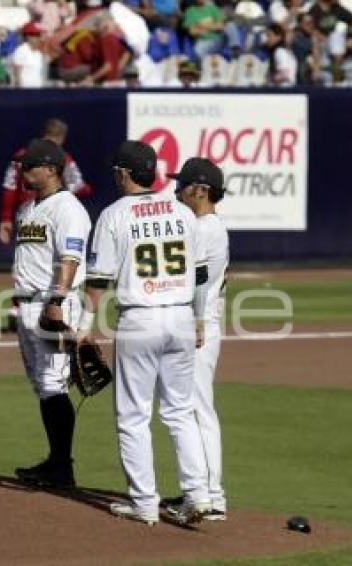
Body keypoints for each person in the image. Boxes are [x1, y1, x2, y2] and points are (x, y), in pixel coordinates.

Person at [81, 140, 211, 526]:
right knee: (180, 412)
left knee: (133, 416)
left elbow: (98, 280)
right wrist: (200, 318)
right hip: (182, 317)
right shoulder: (183, 212)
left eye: (116, 172)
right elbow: (201, 275)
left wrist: (86, 327)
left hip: (141, 318)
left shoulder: (114, 215)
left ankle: (144, 503)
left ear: (123, 173)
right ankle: (198, 494)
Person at [10, 138, 91, 489]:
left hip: (52, 303)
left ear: (52, 169)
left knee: (54, 384)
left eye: (31, 165)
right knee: (43, 387)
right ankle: (55, 463)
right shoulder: (28, 209)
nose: (24, 170)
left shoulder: (67, 208)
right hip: (28, 303)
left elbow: (69, 259)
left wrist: (56, 302)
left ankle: (62, 467)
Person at [171, 157, 230, 522]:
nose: (178, 191)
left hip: (200, 327)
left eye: (184, 185)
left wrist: (194, 322)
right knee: (192, 407)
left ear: (202, 190)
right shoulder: (204, 225)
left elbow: (199, 281)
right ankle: (204, 490)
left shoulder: (206, 228)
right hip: (200, 324)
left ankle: (212, 494)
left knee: (197, 407)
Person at [0, 118, 91, 246]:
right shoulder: (63, 159)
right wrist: (87, 189)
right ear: (62, 137)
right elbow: (78, 187)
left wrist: (6, 218)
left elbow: (10, 187)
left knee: (30, 254)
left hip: (27, 215)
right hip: (51, 214)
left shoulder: (21, 156)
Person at [12, 22, 47, 88]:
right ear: (28, 36)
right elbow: (16, 74)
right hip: (25, 93)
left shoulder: (38, 53)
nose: (39, 38)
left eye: (39, 35)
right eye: (36, 35)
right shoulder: (21, 51)